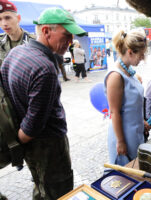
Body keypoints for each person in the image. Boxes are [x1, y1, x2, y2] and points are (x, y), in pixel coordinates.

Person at [0, 7, 87, 199]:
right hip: (49, 146)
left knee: (41, 186)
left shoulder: (15, 53)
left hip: (33, 146)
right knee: (57, 191)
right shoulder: (44, 68)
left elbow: (7, 92)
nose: (70, 42)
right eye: (66, 35)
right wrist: (16, 144)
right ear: (46, 31)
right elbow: (33, 125)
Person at [104, 30, 147, 166]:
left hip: (135, 132)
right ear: (130, 52)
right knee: (124, 177)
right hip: (124, 136)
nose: (142, 58)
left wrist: (142, 121)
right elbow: (114, 112)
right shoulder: (116, 76)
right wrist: (121, 141)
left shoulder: (129, 71)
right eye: (140, 55)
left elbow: (132, 105)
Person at [0, 0, 35, 66]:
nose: (4, 23)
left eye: (8, 18)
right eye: (0, 19)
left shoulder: (34, 42)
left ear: (18, 18)